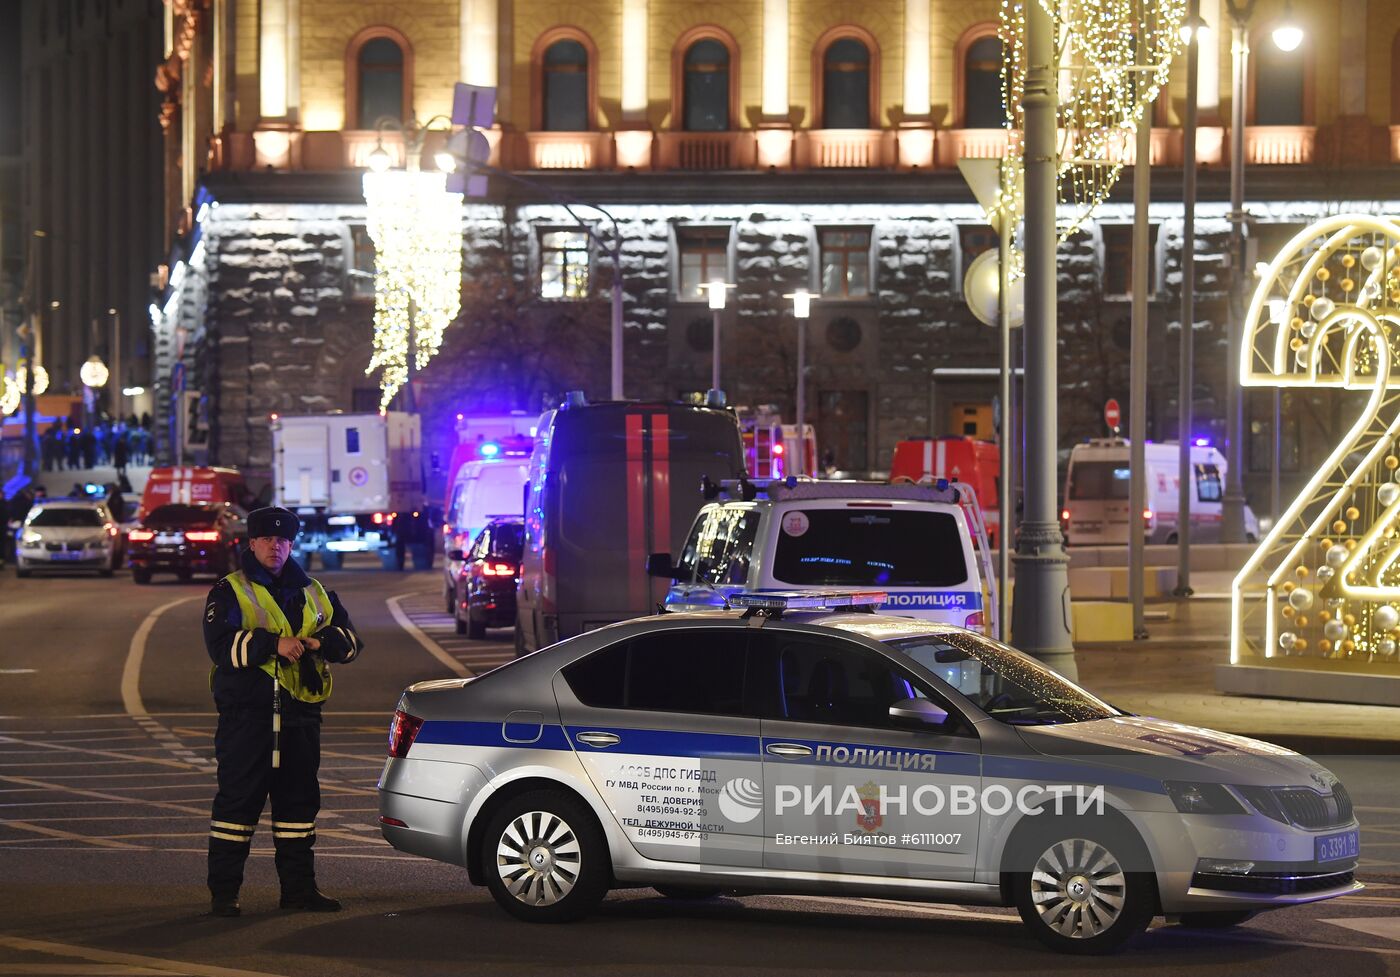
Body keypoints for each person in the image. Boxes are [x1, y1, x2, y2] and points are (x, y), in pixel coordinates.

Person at [202, 506, 363, 917]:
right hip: (248, 717)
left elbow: (349, 641)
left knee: (298, 809)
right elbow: (221, 647)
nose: (276, 547)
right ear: (251, 543)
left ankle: (299, 892)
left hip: (300, 715)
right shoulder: (229, 590)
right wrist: (271, 645)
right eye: (267, 540)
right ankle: (224, 897)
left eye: (283, 540)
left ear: (292, 544)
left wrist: (318, 644)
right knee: (237, 809)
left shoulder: (314, 590)